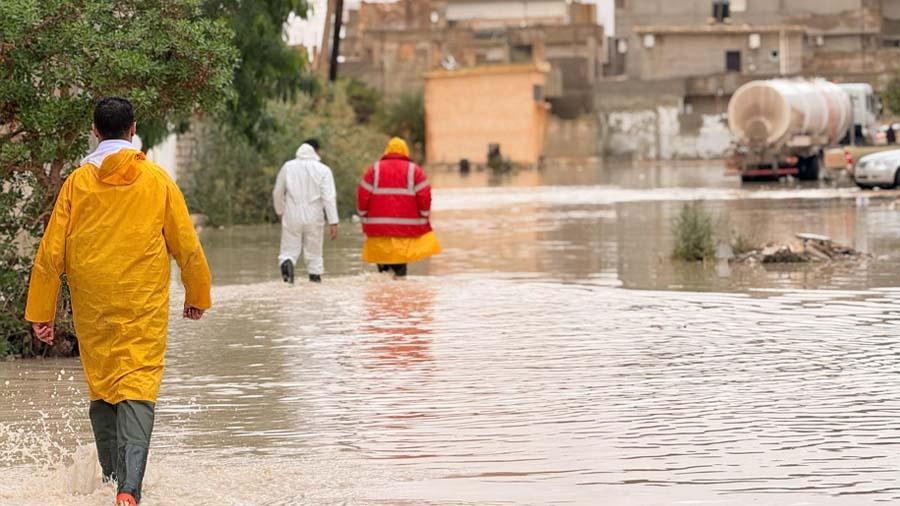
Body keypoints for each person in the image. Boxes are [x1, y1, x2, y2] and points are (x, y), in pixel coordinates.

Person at [24, 97, 211, 506]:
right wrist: (197, 294)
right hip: (141, 300)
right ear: (133, 128)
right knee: (138, 382)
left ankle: (112, 480)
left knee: (104, 385)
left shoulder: (77, 182)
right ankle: (129, 489)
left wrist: (42, 312)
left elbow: (50, 252)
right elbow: (187, 245)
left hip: (93, 302)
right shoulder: (157, 179)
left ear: (94, 130)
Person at [357, 137, 441, 277]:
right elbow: (425, 195)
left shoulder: (374, 169)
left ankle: (384, 291)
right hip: (404, 231)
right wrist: (424, 216)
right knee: (400, 273)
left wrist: (363, 216)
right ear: (405, 151)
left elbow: (362, 195)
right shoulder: (414, 170)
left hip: (378, 230)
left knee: (383, 273)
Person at [273, 139, 339, 284]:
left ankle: (287, 266)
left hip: (292, 213)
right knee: (314, 252)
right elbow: (329, 197)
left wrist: (280, 211)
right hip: (314, 216)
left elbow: (278, 192)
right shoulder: (324, 170)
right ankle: (314, 280)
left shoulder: (288, 167)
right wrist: (333, 222)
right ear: (316, 151)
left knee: (288, 250)